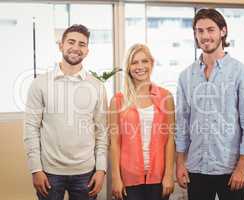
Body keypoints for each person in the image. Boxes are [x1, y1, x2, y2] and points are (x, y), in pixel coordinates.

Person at [175, 8, 244, 200]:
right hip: (196, 168)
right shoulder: (186, 76)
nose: (205, 36)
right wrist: (180, 164)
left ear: (223, 31)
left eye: (210, 30)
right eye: (200, 31)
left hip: (230, 170)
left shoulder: (242, 73)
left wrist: (242, 166)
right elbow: (182, 124)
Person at [24, 24, 108, 200]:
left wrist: (101, 169)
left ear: (87, 50)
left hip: (86, 172)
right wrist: (36, 169)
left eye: (82, 44)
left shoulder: (97, 86)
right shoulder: (40, 84)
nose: (76, 48)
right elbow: (31, 128)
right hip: (49, 173)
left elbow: (102, 131)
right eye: (71, 42)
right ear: (60, 45)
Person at [109, 43, 175, 200]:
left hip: (158, 177)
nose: (140, 67)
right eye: (134, 62)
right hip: (129, 178)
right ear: (128, 67)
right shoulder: (118, 100)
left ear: (151, 63)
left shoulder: (166, 97)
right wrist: (116, 178)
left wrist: (168, 175)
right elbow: (114, 142)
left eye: (144, 61)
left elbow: (170, 139)